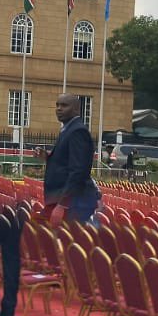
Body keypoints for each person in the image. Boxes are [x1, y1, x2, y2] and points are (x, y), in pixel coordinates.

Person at [44, 93, 99, 226]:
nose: (59, 108)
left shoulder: (77, 131)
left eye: (64, 105)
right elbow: (65, 162)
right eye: (57, 105)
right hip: (65, 200)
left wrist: (63, 205)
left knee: (68, 242)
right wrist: (48, 156)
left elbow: (78, 171)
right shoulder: (68, 129)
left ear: (75, 109)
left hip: (75, 203)